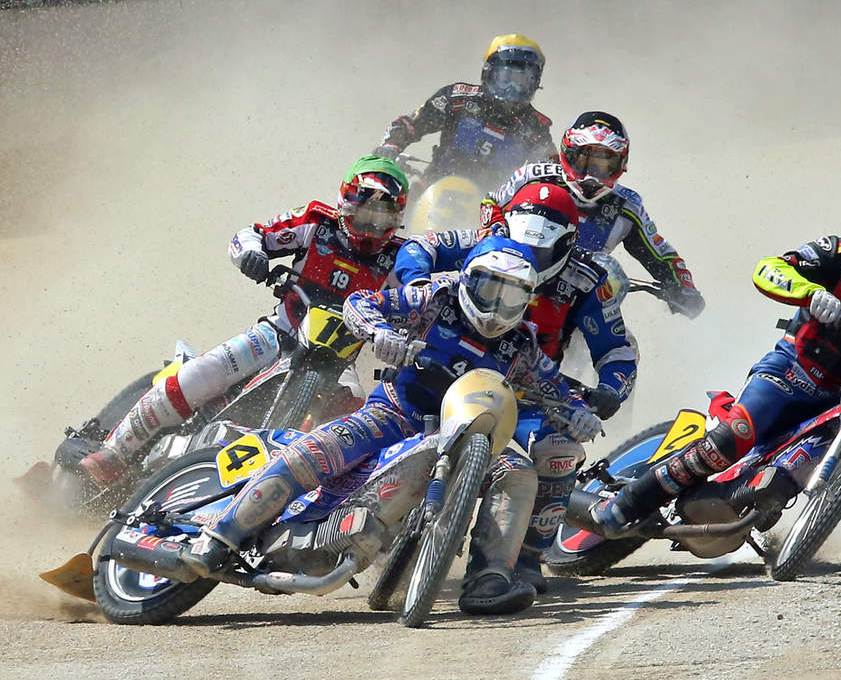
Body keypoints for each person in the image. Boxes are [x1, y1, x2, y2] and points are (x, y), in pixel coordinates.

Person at [178, 237, 602, 616]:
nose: (498, 306)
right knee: (320, 447)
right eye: (490, 289)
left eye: (513, 297)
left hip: (471, 433)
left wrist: (579, 412)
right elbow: (360, 303)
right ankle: (221, 536)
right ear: (469, 280)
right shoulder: (434, 298)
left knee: (519, 472)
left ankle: (489, 578)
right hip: (395, 414)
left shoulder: (524, 343)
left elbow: (557, 390)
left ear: (528, 299)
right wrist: (380, 333)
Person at [587, 197, 841, 566]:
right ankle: (627, 502)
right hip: (790, 373)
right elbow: (769, 268)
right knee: (735, 435)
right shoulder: (839, 255)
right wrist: (809, 292)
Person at [79, 155, 410, 485]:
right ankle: (115, 452)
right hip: (278, 334)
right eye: (365, 214)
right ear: (346, 203)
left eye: (381, 218)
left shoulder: (402, 258)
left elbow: (421, 308)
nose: (370, 227)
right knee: (200, 373)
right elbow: (250, 235)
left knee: (354, 418)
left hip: (341, 360)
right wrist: (253, 255)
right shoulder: (315, 221)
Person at [394, 182, 637, 601]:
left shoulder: (586, 280)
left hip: (526, 392)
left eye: (540, 252)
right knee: (389, 418)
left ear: (568, 243)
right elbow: (419, 246)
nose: (526, 258)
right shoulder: (482, 238)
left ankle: (522, 557)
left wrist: (610, 390)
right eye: (518, 242)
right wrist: (416, 286)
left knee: (561, 449)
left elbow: (617, 349)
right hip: (442, 371)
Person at [481, 111, 704, 320]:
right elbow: (490, 202)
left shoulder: (628, 206)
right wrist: (495, 229)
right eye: (584, 160)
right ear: (567, 153)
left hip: (573, 295)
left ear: (621, 165)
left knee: (611, 273)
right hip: (511, 273)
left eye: (602, 165)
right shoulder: (533, 176)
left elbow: (662, 254)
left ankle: (577, 341)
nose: (590, 175)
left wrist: (684, 288)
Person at [373, 34, 554, 191]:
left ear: (535, 82)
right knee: (387, 205)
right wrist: (390, 148)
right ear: (488, 74)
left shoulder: (536, 128)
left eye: (521, 81)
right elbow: (410, 125)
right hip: (431, 190)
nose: (512, 89)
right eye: (506, 79)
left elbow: (550, 171)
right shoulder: (458, 100)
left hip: (492, 208)